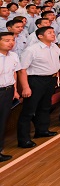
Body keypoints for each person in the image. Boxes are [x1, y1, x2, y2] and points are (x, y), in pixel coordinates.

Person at [17, 27, 60, 148]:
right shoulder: (32, 50)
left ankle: (42, 130)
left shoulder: (55, 47)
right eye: (49, 33)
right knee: (29, 110)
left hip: (50, 79)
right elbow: (22, 70)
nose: (53, 34)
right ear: (40, 36)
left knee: (45, 106)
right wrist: (25, 87)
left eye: (53, 32)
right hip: (36, 80)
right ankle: (24, 139)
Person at [0, 32, 20, 161]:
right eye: (7, 40)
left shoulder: (13, 55)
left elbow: (14, 73)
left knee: (2, 121)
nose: (11, 43)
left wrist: (15, 90)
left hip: (8, 90)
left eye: (12, 40)